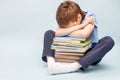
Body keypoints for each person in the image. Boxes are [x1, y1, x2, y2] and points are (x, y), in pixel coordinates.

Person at [42, 1, 114, 75]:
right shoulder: (68, 19)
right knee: (49, 33)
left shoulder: (90, 17)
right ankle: (51, 64)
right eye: (65, 28)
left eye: (71, 26)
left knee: (108, 40)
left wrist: (65, 31)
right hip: (69, 51)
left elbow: (83, 34)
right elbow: (58, 32)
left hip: (89, 54)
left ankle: (73, 66)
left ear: (79, 17)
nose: (69, 28)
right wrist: (81, 26)